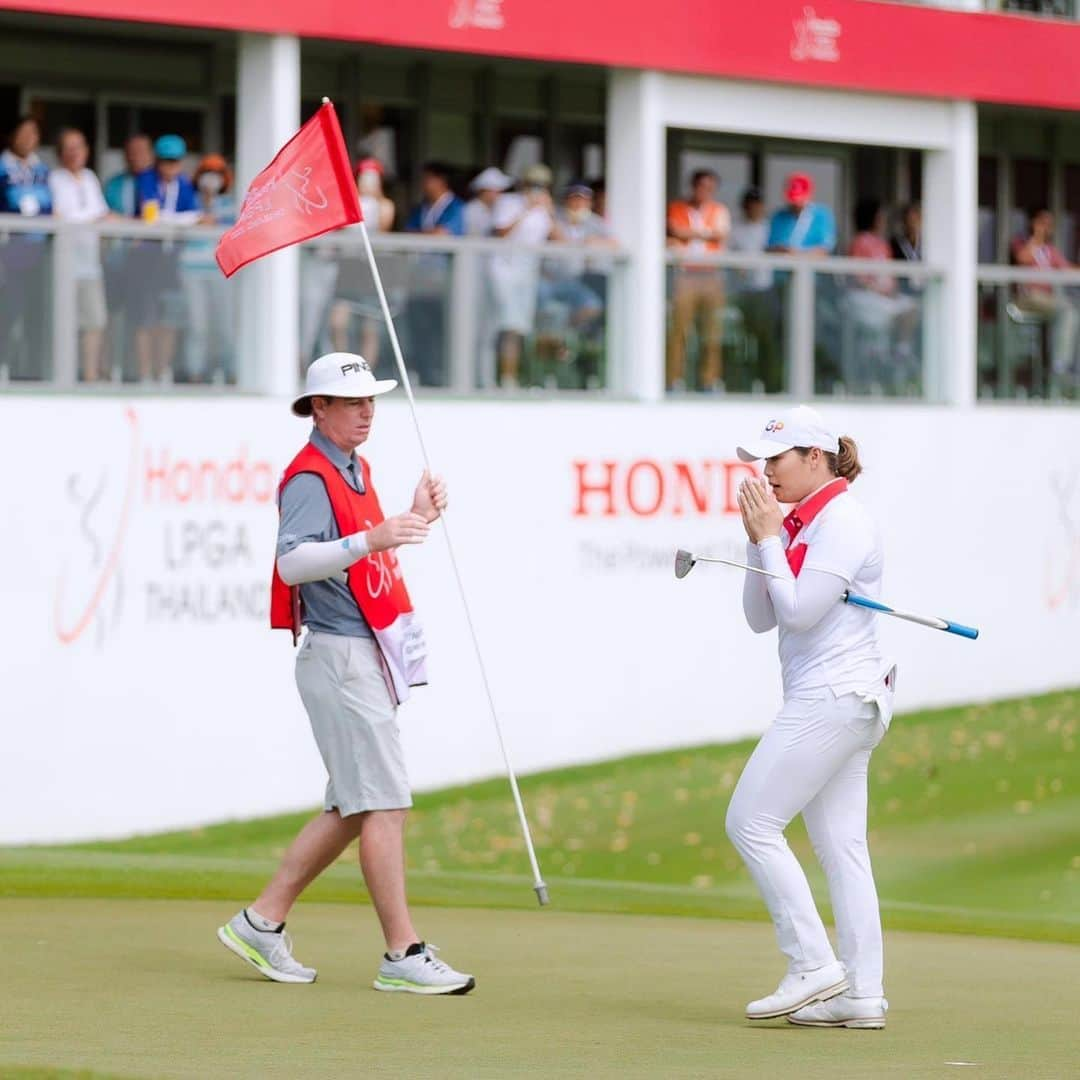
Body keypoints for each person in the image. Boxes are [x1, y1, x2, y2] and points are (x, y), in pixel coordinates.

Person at [218, 351, 474, 995]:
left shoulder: (354, 469)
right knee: (384, 803)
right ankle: (402, 953)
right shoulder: (309, 476)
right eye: (351, 402)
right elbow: (293, 564)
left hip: (356, 652)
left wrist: (414, 515)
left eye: (371, 401)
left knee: (352, 806)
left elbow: (372, 545)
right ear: (319, 408)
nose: (366, 412)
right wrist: (374, 538)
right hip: (338, 654)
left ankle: (261, 922)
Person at [726, 404, 895, 1030]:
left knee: (750, 822)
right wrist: (759, 539)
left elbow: (799, 613)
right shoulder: (799, 523)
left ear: (815, 459)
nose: (765, 472)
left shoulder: (844, 521)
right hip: (839, 700)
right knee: (842, 848)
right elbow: (761, 616)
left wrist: (771, 539)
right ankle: (861, 995)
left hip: (833, 698)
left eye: (776, 459)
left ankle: (812, 964)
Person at [48, 127, 111, 382]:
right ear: (61, 153)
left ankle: (90, 377)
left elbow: (102, 215)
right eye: (69, 147)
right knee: (64, 324)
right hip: (63, 266)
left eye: (79, 146)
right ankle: (62, 378)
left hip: (90, 265)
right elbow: (60, 217)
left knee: (95, 321)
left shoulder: (90, 178)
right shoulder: (54, 179)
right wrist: (91, 219)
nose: (75, 152)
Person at [489, 163, 559, 388]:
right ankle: (499, 377)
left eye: (542, 185)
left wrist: (550, 213)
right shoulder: (509, 203)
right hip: (503, 271)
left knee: (520, 327)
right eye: (533, 184)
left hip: (529, 274)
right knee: (506, 324)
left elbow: (561, 239)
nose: (537, 190)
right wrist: (526, 209)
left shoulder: (545, 210)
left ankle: (518, 376)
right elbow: (500, 232)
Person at [666, 169, 730, 392]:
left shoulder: (719, 210)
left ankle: (709, 380)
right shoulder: (678, 208)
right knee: (679, 330)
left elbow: (721, 234)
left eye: (709, 188)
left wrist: (689, 234)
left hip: (711, 276)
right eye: (701, 186)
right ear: (693, 187)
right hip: (686, 276)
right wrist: (705, 233)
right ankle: (673, 379)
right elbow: (675, 231)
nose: (704, 191)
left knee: (712, 332)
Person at [329, 158, 397, 367]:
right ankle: (343, 367)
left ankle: (367, 369)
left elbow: (384, 226)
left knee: (370, 325)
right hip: (348, 266)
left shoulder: (384, 205)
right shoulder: (347, 202)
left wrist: (372, 200)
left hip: (371, 269)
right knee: (338, 322)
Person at [0, 115, 52, 377]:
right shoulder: (1, 167)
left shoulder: (42, 170)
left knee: (36, 315)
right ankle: (3, 368)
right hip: (8, 252)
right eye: (24, 132)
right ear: (12, 136)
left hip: (39, 253)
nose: (29, 138)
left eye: (34, 133)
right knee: (7, 314)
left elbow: (50, 208)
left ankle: (31, 372)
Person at [404, 162, 464, 385]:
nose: (423, 184)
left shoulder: (455, 207)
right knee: (421, 328)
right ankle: (425, 374)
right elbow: (409, 234)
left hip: (444, 280)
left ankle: (440, 377)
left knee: (440, 330)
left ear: (440, 180)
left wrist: (424, 236)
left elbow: (444, 235)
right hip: (420, 278)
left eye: (427, 179)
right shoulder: (422, 207)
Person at [178, 154, 236, 382]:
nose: (211, 178)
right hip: (191, 270)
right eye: (207, 173)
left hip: (222, 272)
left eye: (217, 173)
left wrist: (213, 211)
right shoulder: (189, 199)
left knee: (225, 325)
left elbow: (233, 229)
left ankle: (230, 372)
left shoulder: (230, 204)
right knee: (197, 324)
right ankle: (195, 373)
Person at [1010, 207, 1079, 383]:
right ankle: (1059, 366)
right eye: (1043, 222)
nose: (1048, 226)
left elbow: (1066, 269)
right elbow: (1023, 258)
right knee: (1068, 310)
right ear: (1033, 222)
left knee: (1071, 310)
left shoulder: (1050, 250)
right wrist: (1038, 236)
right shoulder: (1020, 241)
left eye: (1049, 223)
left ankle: (1068, 365)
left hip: (1046, 300)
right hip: (1027, 298)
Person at [729, 186, 782, 393]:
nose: (755, 208)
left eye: (758, 204)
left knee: (767, 341)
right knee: (742, 343)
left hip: (766, 291)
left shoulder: (770, 228)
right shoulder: (736, 229)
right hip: (742, 293)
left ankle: (771, 385)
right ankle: (740, 384)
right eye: (751, 204)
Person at [768, 173, 836, 255]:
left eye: (800, 200)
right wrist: (782, 250)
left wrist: (798, 254)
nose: (796, 205)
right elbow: (769, 246)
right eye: (793, 201)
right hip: (781, 266)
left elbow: (825, 249)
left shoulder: (822, 216)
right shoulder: (778, 216)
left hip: (812, 266)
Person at [464, 166, 513, 237]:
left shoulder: (497, 207)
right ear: (484, 191)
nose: (499, 194)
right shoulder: (471, 210)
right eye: (496, 191)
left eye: (500, 191)